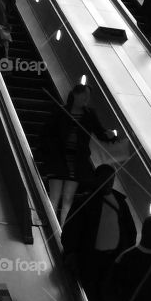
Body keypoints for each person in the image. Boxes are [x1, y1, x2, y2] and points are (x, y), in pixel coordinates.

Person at [61, 164, 136, 301]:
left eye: (111, 180)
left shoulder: (120, 202)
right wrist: (71, 252)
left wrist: (126, 255)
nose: (108, 184)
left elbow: (130, 231)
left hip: (112, 260)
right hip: (91, 259)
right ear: (97, 180)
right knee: (91, 295)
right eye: (105, 180)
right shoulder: (85, 201)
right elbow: (71, 229)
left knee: (105, 297)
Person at [39, 83, 117, 223]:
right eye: (84, 95)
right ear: (75, 94)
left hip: (76, 162)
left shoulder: (89, 114)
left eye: (88, 96)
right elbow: (47, 133)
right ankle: (51, 225)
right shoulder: (61, 111)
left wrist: (110, 136)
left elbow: (99, 132)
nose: (87, 98)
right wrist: (49, 151)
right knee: (54, 197)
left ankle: (63, 230)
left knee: (68, 199)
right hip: (59, 159)